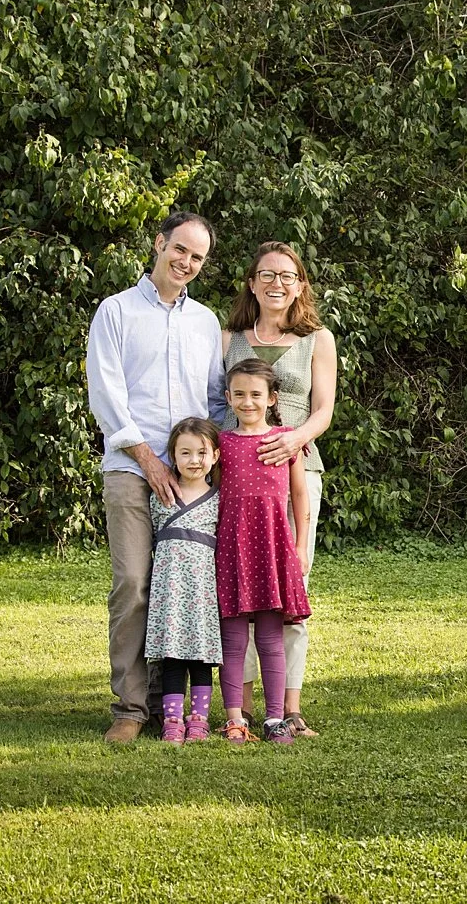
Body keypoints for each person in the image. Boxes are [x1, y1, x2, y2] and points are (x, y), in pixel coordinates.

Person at [86, 211, 225, 743]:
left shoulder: (205, 322)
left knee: (188, 586)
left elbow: (215, 401)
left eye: (197, 257)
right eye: (180, 249)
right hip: (131, 466)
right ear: (158, 243)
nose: (186, 262)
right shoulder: (115, 311)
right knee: (135, 583)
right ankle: (130, 706)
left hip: (191, 480)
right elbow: (106, 393)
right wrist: (148, 458)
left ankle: (176, 700)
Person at [223, 241, 337, 739]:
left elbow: (323, 410)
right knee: (241, 589)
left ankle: (288, 706)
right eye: (267, 275)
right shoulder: (229, 338)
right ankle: (243, 709)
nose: (276, 284)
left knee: (290, 590)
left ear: (300, 285)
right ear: (252, 282)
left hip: (295, 473)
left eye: (287, 276)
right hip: (239, 480)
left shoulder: (318, 339)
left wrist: (292, 439)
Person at [215, 358, 312, 745]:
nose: (247, 402)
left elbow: (300, 496)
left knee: (271, 639)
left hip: (273, 550)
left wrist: (301, 546)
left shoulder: (286, 440)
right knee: (233, 640)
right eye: (239, 394)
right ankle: (235, 718)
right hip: (232, 550)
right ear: (227, 398)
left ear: (272, 398)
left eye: (256, 394)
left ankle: (275, 719)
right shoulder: (221, 444)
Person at [146, 418, 224, 745]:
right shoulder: (161, 497)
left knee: (201, 657)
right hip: (170, 593)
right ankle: (173, 720)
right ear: (172, 457)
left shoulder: (220, 499)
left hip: (203, 594)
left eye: (201, 452)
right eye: (185, 453)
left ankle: (199, 719)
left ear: (215, 456)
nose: (194, 460)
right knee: (173, 656)